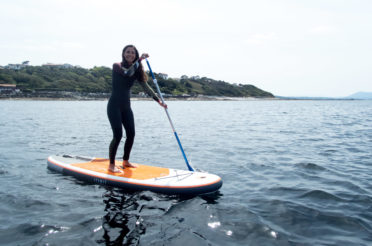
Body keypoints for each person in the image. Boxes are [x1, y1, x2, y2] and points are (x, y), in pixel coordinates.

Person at [107, 45, 167, 173]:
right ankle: (111, 165)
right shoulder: (116, 66)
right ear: (123, 54)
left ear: (135, 54)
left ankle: (125, 161)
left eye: (133, 53)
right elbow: (126, 73)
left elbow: (146, 87)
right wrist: (139, 60)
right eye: (128, 52)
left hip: (126, 107)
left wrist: (158, 101)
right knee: (118, 135)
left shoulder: (137, 69)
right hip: (114, 106)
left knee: (131, 134)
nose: (130, 54)